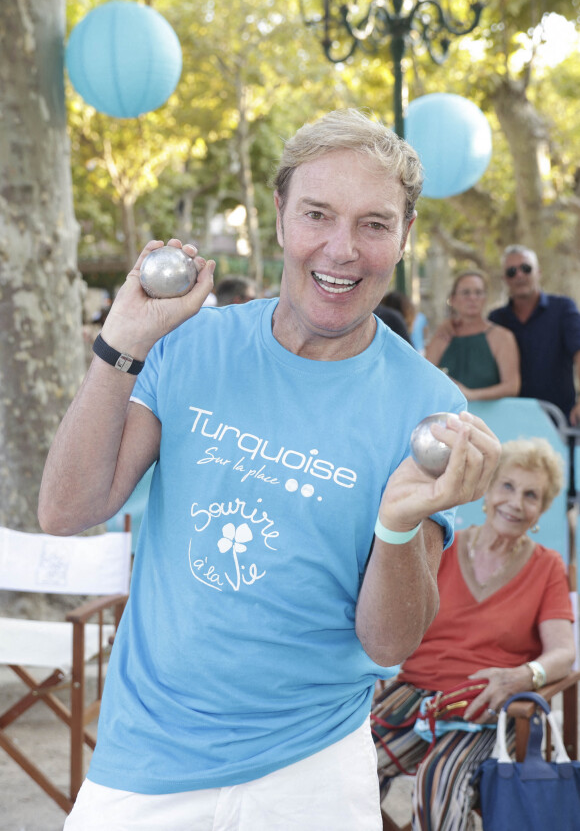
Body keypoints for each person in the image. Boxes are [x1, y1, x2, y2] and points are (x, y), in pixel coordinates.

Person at [38, 108, 501, 831]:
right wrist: (120, 344)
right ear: (281, 214)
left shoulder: (430, 406)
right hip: (148, 754)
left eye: (374, 224)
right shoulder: (192, 345)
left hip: (311, 764)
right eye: (318, 213)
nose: (342, 249)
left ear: (404, 239)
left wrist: (399, 522)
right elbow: (66, 509)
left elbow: (389, 642)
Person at [372, 437, 575, 831]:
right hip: (413, 696)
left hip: (487, 705)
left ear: (542, 510)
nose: (516, 502)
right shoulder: (443, 546)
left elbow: (563, 653)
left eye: (531, 495)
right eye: (508, 486)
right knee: (352, 766)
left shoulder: (547, 566)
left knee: (437, 782)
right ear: (488, 492)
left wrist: (523, 676)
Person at [489, 245, 580, 424]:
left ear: (538, 272)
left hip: (560, 419)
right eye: (511, 271)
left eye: (526, 268)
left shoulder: (563, 308)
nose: (519, 275)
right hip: (510, 419)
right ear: (505, 279)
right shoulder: (495, 318)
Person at [425, 270, 520, 401]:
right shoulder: (443, 334)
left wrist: (471, 395)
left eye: (478, 293)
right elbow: (425, 375)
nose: (472, 298)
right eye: (466, 293)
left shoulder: (503, 337)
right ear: (453, 299)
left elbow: (511, 386)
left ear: (485, 298)